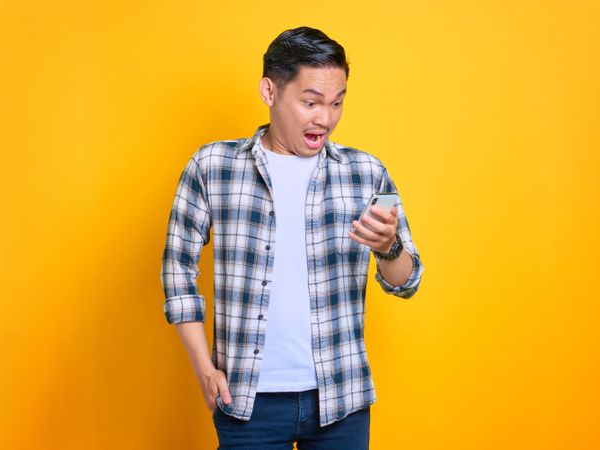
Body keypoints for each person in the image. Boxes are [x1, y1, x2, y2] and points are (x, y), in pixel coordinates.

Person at [160, 26, 424, 450]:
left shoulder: (365, 173)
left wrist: (388, 247)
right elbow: (177, 267)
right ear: (270, 91)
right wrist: (204, 369)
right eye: (311, 102)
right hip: (246, 402)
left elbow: (406, 280)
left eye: (337, 102)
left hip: (342, 400)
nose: (326, 117)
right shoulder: (212, 166)